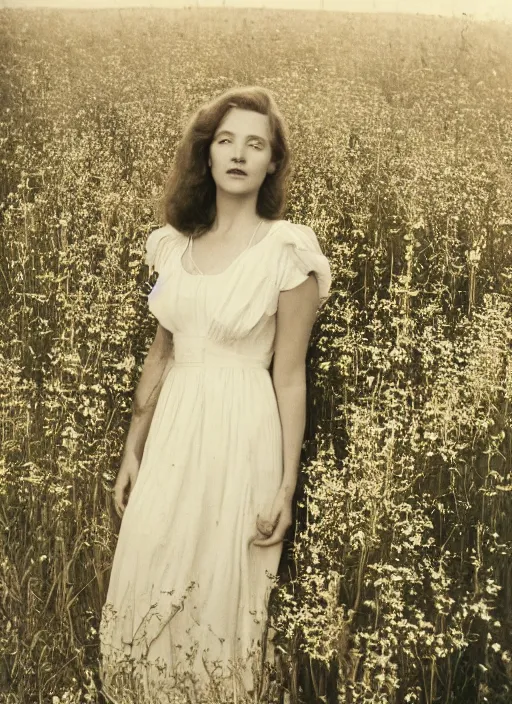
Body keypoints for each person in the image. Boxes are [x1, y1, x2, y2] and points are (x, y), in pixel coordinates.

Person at [99, 85, 332, 703]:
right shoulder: (175, 247)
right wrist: (132, 450)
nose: (237, 154)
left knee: (222, 595)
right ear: (207, 155)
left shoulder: (287, 252)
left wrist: (286, 487)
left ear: (272, 162)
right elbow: (162, 352)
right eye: (225, 141)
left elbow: (289, 376)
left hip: (241, 432)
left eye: (255, 144)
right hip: (175, 431)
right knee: (149, 570)